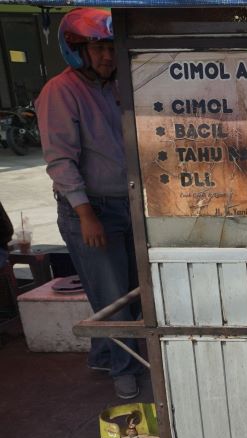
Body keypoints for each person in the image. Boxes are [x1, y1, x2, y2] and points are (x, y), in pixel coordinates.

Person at [37, 8, 143, 399]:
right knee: (113, 297)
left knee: (129, 289)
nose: (107, 56)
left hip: (126, 203)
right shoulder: (60, 91)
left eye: (111, 48)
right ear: (77, 50)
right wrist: (85, 214)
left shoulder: (116, 86)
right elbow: (60, 161)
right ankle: (124, 370)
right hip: (91, 210)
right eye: (98, 49)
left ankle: (103, 354)